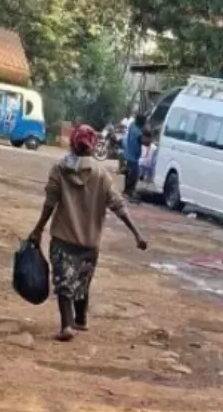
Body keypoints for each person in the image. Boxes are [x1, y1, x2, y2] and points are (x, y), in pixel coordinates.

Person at [27, 124, 148, 341]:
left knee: (64, 282)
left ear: (73, 143)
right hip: (90, 242)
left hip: (64, 238)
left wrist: (38, 229)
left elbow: (50, 204)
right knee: (82, 281)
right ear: (92, 146)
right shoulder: (101, 173)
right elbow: (118, 205)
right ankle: (81, 319)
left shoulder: (60, 169)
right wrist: (136, 233)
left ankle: (66, 326)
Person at [122, 112, 145, 199]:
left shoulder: (132, 126)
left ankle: (126, 190)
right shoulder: (139, 132)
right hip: (134, 156)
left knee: (128, 172)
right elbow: (142, 141)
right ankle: (129, 191)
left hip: (128, 153)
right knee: (134, 174)